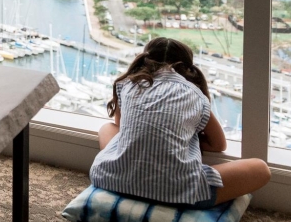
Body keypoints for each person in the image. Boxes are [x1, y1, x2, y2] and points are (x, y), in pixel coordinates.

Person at [90, 37, 270, 208]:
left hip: (110, 180)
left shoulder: (128, 85)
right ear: (187, 67)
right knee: (261, 169)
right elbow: (218, 144)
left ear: (145, 60)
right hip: (181, 192)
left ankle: (127, 175)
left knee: (107, 128)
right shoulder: (195, 95)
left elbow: (121, 127)